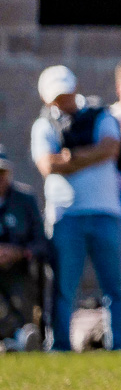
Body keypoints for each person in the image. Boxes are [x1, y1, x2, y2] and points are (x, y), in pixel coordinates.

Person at [30, 65, 121, 352]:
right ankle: (60, 344)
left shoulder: (101, 116)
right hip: (65, 216)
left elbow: (111, 148)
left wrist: (70, 158)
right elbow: (48, 165)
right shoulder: (44, 125)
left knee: (115, 286)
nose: (62, 102)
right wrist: (91, 154)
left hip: (105, 213)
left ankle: (119, 345)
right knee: (64, 287)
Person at [0, 149, 49, 349]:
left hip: (19, 269)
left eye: (2, 173)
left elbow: (41, 242)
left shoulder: (24, 199)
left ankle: (20, 337)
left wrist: (18, 252)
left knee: (22, 301)